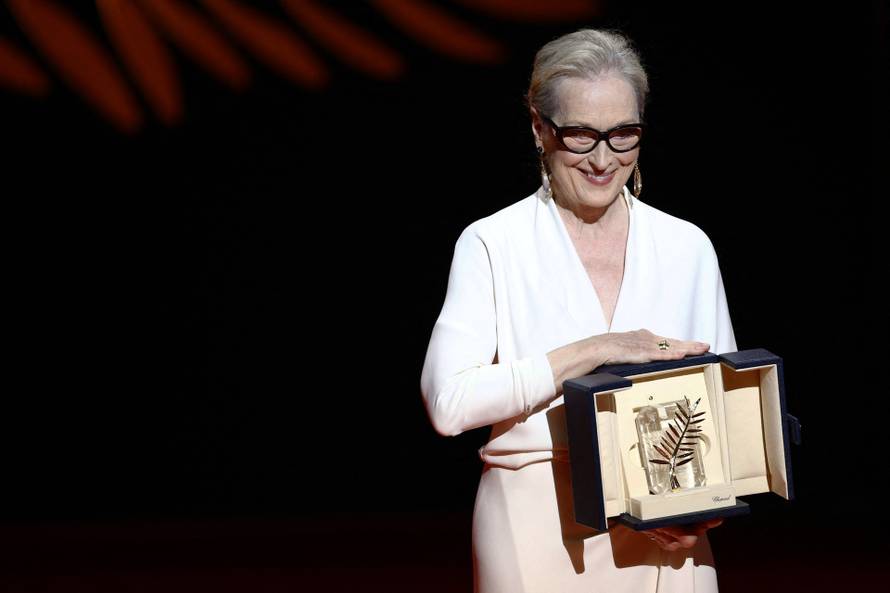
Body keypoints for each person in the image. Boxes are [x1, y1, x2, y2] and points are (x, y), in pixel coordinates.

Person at [419, 28, 737, 593]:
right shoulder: (494, 243)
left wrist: (705, 510)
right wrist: (597, 350)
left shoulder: (688, 246)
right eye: (581, 136)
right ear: (540, 128)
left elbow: (724, 408)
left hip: (663, 528)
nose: (602, 159)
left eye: (622, 135)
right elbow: (449, 404)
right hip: (534, 523)